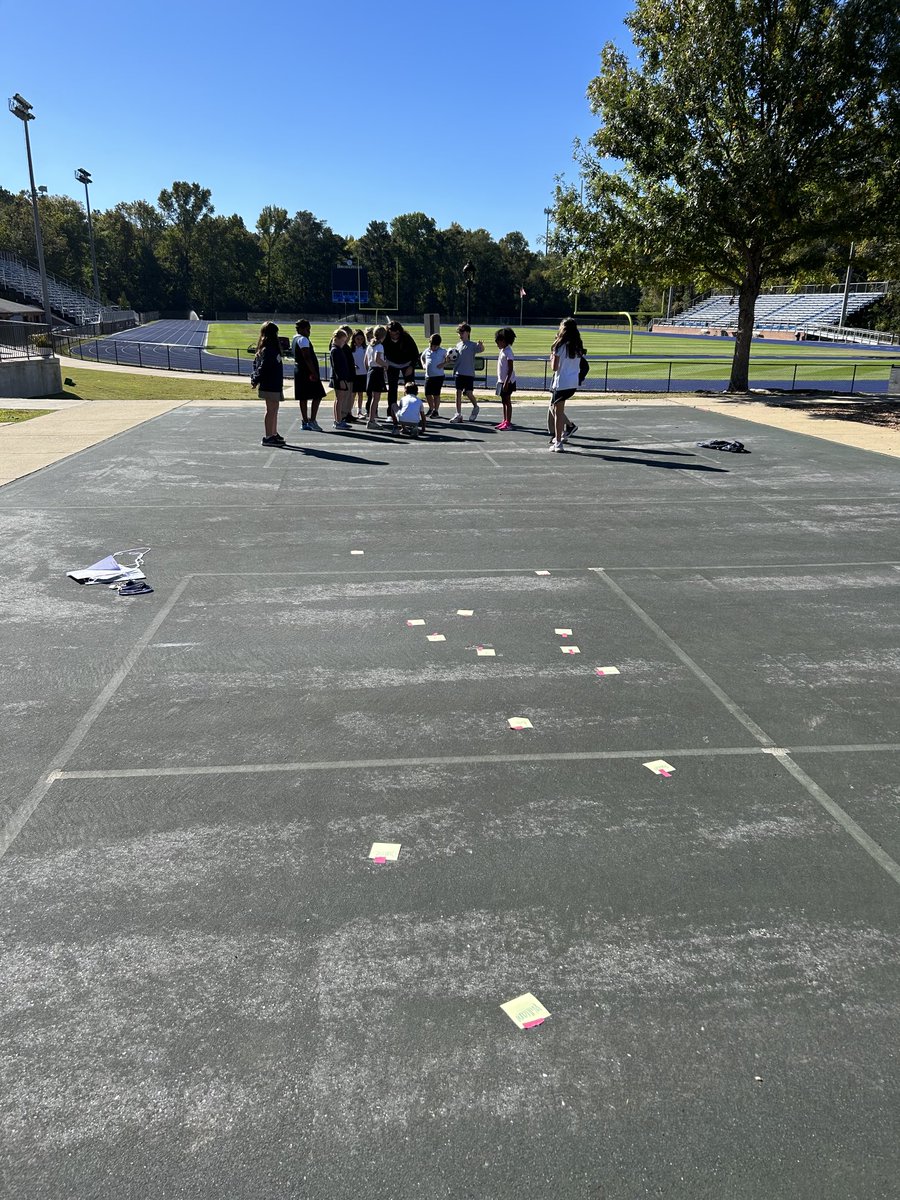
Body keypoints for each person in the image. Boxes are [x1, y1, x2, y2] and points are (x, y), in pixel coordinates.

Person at [547, 317, 584, 452]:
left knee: (558, 413)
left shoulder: (560, 346)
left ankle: (558, 442)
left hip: (561, 382)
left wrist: (552, 356)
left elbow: (554, 367)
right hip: (572, 383)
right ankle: (563, 434)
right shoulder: (577, 345)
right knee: (557, 410)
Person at [253, 321, 285, 447]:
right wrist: (255, 379)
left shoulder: (271, 348)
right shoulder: (268, 349)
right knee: (271, 409)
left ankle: (273, 433)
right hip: (270, 383)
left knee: (274, 409)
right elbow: (262, 366)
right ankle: (268, 436)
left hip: (274, 383)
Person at [291, 319, 326, 430]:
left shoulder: (295, 338)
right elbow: (307, 357)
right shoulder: (303, 339)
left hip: (299, 370)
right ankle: (312, 420)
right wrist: (314, 372)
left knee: (303, 397)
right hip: (307, 372)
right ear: (301, 329)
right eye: (307, 329)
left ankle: (305, 421)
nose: (309, 332)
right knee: (318, 395)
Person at [383, 320, 420, 415]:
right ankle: (391, 412)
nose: (394, 336)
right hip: (392, 364)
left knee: (410, 388)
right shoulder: (386, 338)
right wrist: (384, 363)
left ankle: (410, 410)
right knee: (392, 388)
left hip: (406, 363)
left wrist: (411, 366)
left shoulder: (407, 338)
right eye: (392, 334)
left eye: (396, 334)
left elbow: (415, 353)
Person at [450, 323, 483, 423]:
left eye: (462, 332)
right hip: (459, 373)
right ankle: (458, 414)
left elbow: (480, 349)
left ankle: (476, 407)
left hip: (468, 373)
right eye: (459, 333)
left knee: (468, 393)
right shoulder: (458, 345)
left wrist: (481, 345)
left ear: (467, 333)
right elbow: (455, 359)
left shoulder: (472, 345)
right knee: (458, 392)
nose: (460, 334)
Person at [329, 328, 355, 430]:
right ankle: (338, 421)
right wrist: (341, 380)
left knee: (339, 400)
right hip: (339, 379)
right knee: (339, 400)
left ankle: (338, 420)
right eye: (343, 340)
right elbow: (337, 367)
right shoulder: (335, 350)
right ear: (337, 339)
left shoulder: (338, 349)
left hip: (340, 378)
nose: (344, 343)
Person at [365, 326, 388, 428]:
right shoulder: (379, 346)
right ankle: (371, 420)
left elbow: (365, 361)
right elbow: (377, 359)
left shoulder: (370, 345)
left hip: (371, 370)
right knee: (376, 398)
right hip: (377, 371)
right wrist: (385, 365)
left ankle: (371, 419)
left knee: (373, 398)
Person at [494, 326, 516, 430]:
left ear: (504, 341)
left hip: (508, 381)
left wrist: (507, 382)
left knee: (507, 401)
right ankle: (504, 420)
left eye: (498, 341)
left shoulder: (508, 352)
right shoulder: (502, 350)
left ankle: (508, 422)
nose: (496, 343)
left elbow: (510, 368)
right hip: (501, 380)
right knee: (503, 401)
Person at [421, 333, 447, 418]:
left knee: (436, 394)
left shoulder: (442, 351)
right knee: (427, 393)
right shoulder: (427, 350)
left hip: (438, 376)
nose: (434, 347)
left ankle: (436, 410)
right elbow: (422, 357)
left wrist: (443, 364)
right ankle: (431, 408)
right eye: (432, 345)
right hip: (428, 376)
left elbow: (450, 359)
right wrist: (424, 364)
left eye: (436, 346)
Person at [351, 329, 368, 419]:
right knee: (352, 394)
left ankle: (359, 411)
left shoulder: (365, 348)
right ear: (354, 339)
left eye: (361, 339)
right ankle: (349, 411)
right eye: (358, 339)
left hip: (363, 373)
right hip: (354, 375)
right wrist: (353, 366)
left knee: (360, 394)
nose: (360, 341)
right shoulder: (351, 349)